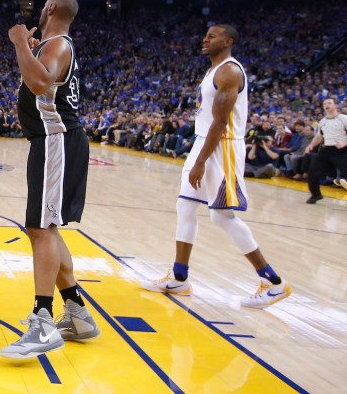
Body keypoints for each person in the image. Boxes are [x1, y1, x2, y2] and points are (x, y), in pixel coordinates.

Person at [141, 25, 291, 308]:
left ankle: (274, 283)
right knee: (185, 207)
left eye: (212, 36)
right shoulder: (214, 70)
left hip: (223, 148)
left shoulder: (229, 71)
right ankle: (179, 277)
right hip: (204, 143)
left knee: (222, 217)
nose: (205, 39)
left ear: (229, 40)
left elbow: (221, 123)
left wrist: (199, 162)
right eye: (205, 35)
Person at [0, 0, 99, 360]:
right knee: (47, 229)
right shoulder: (56, 45)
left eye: (43, 6)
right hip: (55, 140)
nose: (39, 10)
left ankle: (42, 322)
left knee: (40, 230)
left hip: (55, 140)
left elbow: (40, 83)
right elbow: (43, 83)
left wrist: (19, 43)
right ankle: (77, 313)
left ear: (52, 9)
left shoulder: (56, 44)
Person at [301, 98, 347, 203]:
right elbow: (319, 136)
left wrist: (344, 143)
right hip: (326, 151)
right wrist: (311, 145)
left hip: (342, 151)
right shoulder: (322, 121)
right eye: (325, 103)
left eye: (329, 103)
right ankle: (316, 195)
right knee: (313, 173)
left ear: (335, 105)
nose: (327, 105)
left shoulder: (344, 118)